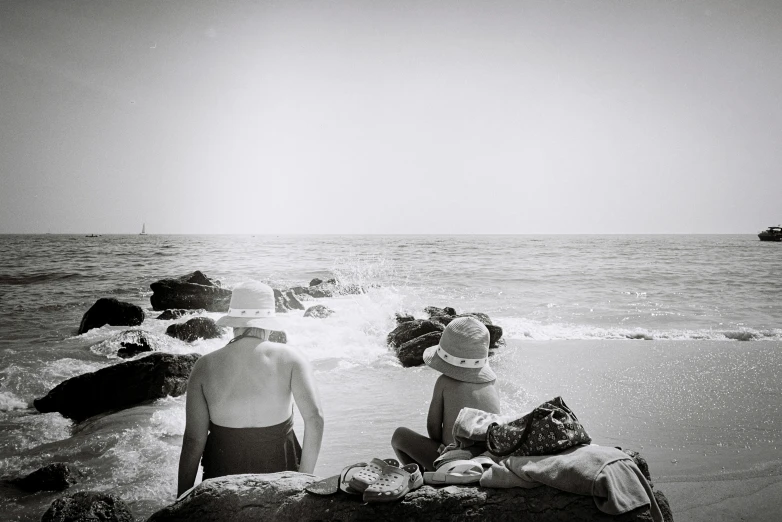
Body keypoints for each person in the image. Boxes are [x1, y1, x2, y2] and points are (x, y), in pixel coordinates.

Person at [177, 281, 324, 497]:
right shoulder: (291, 358)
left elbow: (194, 439)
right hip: (280, 470)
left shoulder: (205, 365)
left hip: (223, 474)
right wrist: (304, 481)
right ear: (268, 323)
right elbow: (315, 419)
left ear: (233, 323)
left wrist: (182, 499)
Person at [391, 316, 501, 471]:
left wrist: (441, 446)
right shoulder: (492, 382)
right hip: (487, 457)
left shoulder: (444, 382)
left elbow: (433, 428)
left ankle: (420, 476)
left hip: (455, 461)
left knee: (399, 435)